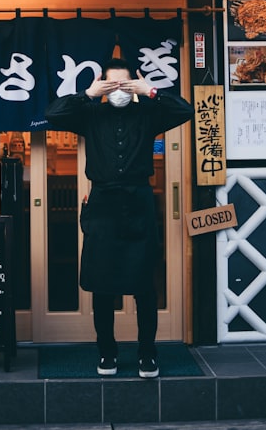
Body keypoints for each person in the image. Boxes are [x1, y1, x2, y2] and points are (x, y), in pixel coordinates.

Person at [45, 57, 193, 378]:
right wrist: (88, 93)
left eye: (125, 85)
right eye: (112, 85)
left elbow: (185, 110)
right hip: (102, 206)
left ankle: (147, 353)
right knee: (102, 284)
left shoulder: (147, 113)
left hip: (139, 203)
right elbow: (52, 114)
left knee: (144, 285)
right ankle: (107, 352)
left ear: (134, 84)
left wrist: (150, 91)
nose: (119, 91)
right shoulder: (90, 114)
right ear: (102, 85)